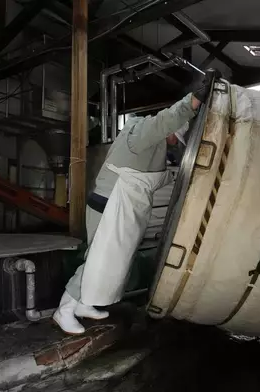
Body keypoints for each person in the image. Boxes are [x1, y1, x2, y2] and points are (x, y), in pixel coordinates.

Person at [53, 71, 217, 334]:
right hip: (110, 204)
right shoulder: (143, 129)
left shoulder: (155, 148)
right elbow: (168, 119)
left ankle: (84, 303)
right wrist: (195, 100)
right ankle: (64, 310)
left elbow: (151, 179)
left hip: (117, 204)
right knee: (97, 260)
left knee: (109, 262)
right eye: (176, 138)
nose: (174, 143)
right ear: (171, 131)